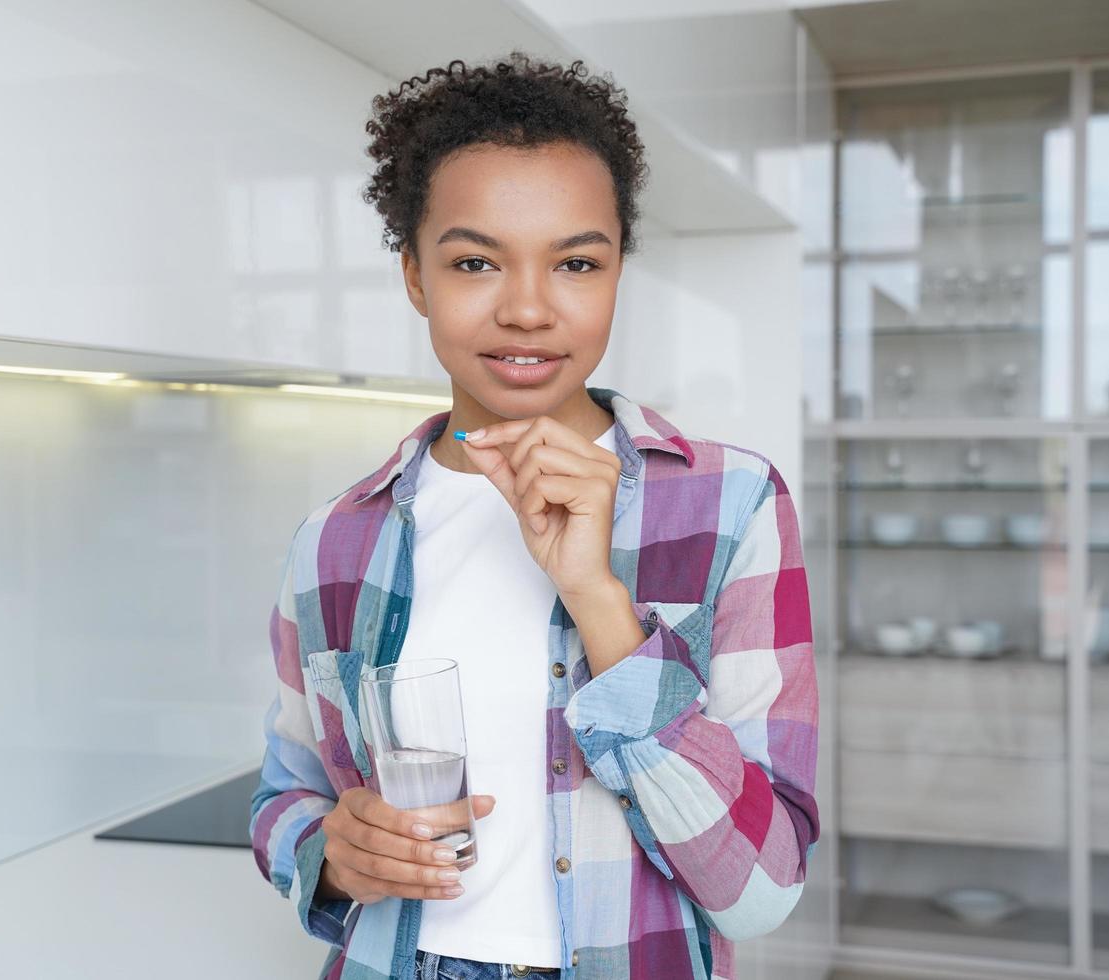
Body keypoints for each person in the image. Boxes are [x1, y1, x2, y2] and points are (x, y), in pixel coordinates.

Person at [249, 50, 820, 980]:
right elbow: (287, 796)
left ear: (618, 272)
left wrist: (598, 599)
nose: (526, 309)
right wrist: (331, 854)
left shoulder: (731, 506)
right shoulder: (336, 538)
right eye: (476, 261)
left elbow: (762, 888)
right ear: (414, 277)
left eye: (576, 262)